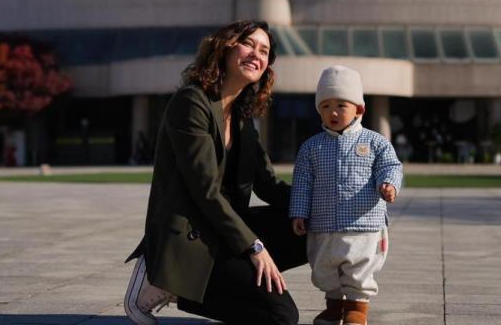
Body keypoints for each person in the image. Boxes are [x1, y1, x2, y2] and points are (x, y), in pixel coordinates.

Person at [124, 20, 306, 325]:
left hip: (222, 233)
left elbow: (268, 185)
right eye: (249, 44)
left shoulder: (243, 117)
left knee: (312, 225)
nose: (256, 55)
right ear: (225, 47)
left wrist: (326, 205)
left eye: (265, 51)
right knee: (282, 317)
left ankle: (196, 285)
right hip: (191, 236)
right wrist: (254, 246)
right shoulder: (191, 102)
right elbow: (205, 191)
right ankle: (164, 278)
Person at [290, 65, 404, 325]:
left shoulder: (375, 142)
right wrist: (298, 211)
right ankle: (334, 305)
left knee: (359, 268)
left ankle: (356, 308)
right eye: (326, 105)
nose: (333, 112)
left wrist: (389, 184)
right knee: (325, 267)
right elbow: (303, 182)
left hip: (364, 225)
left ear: (359, 109)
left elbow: (391, 166)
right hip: (323, 223)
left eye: (341, 105)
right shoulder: (312, 147)